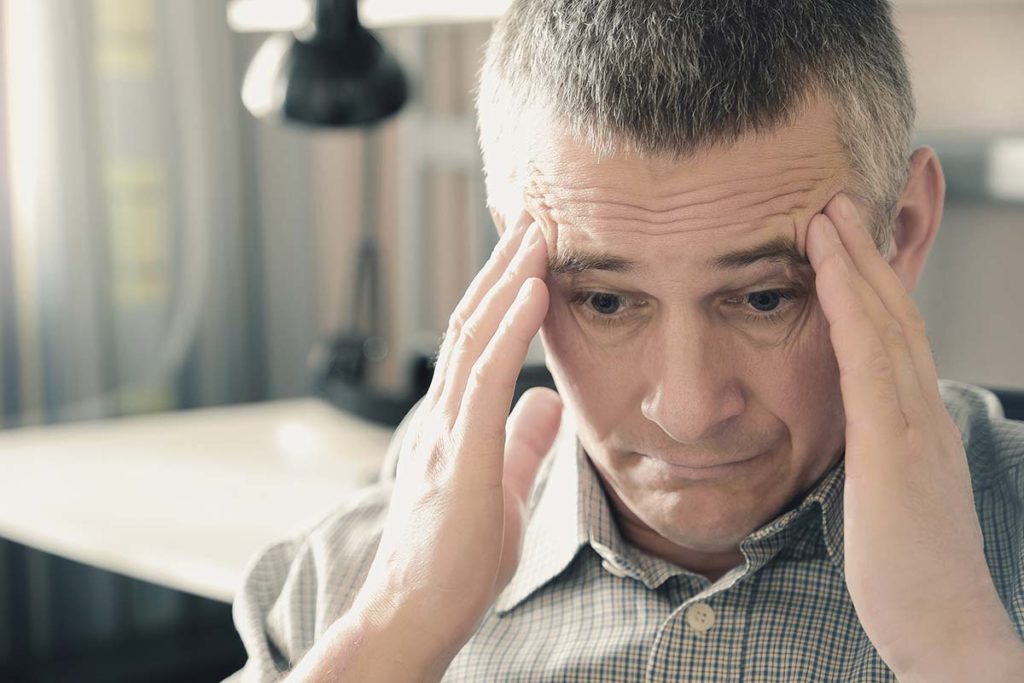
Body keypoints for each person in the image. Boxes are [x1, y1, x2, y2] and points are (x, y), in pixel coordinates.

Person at [227, 1, 1024, 680]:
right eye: (606, 300)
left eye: (764, 296)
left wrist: (952, 642)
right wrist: (397, 626)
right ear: (515, 253)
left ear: (904, 229)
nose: (687, 410)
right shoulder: (366, 570)